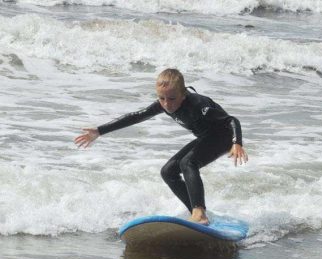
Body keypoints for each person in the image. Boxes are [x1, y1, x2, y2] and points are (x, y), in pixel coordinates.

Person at [74, 69, 248, 225]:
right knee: (168, 172)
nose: (166, 104)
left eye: (172, 99)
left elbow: (231, 120)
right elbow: (136, 116)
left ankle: (199, 213)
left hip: (224, 137)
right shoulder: (165, 103)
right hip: (207, 137)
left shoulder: (199, 105)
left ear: (184, 94)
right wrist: (99, 131)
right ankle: (196, 213)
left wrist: (236, 142)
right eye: (161, 98)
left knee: (188, 163)